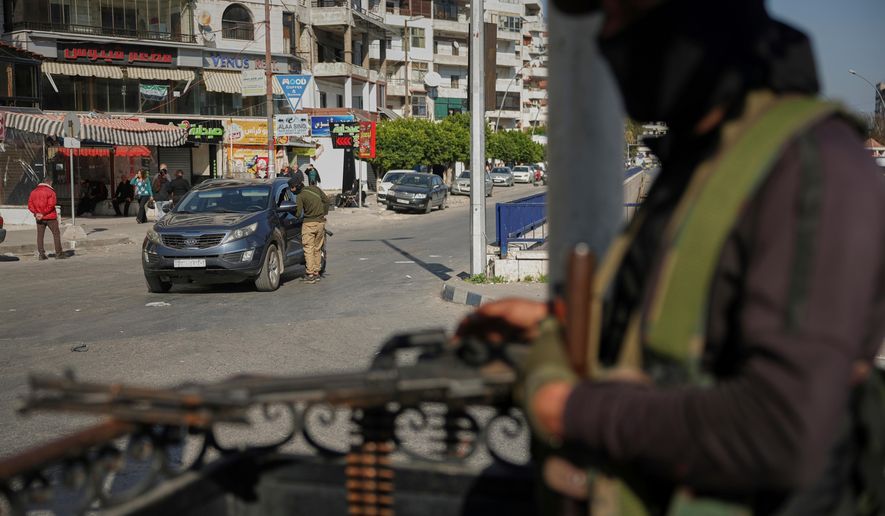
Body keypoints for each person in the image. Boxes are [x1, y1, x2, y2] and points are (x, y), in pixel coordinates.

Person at [456, 0, 885, 514]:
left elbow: (780, 429)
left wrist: (569, 408)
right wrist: (572, 326)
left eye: (622, 18)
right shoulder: (702, 156)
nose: (607, 41)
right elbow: (694, 334)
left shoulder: (813, 167)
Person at [289, 172, 329, 284]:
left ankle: (310, 274)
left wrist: (291, 211)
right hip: (321, 223)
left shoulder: (300, 196)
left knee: (308, 249)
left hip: (308, 224)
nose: (291, 190)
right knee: (317, 248)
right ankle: (316, 272)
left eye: (291, 188)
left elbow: (298, 214)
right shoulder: (315, 189)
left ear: (296, 186)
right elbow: (326, 201)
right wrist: (323, 213)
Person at [27, 176, 65, 260]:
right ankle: (58, 253)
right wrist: (43, 213)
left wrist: (37, 213)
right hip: (50, 217)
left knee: (40, 236)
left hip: (39, 217)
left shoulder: (33, 192)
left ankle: (41, 254)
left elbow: (30, 205)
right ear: (49, 182)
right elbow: (51, 205)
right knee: (56, 234)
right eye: (51, 183)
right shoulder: (51, 192)